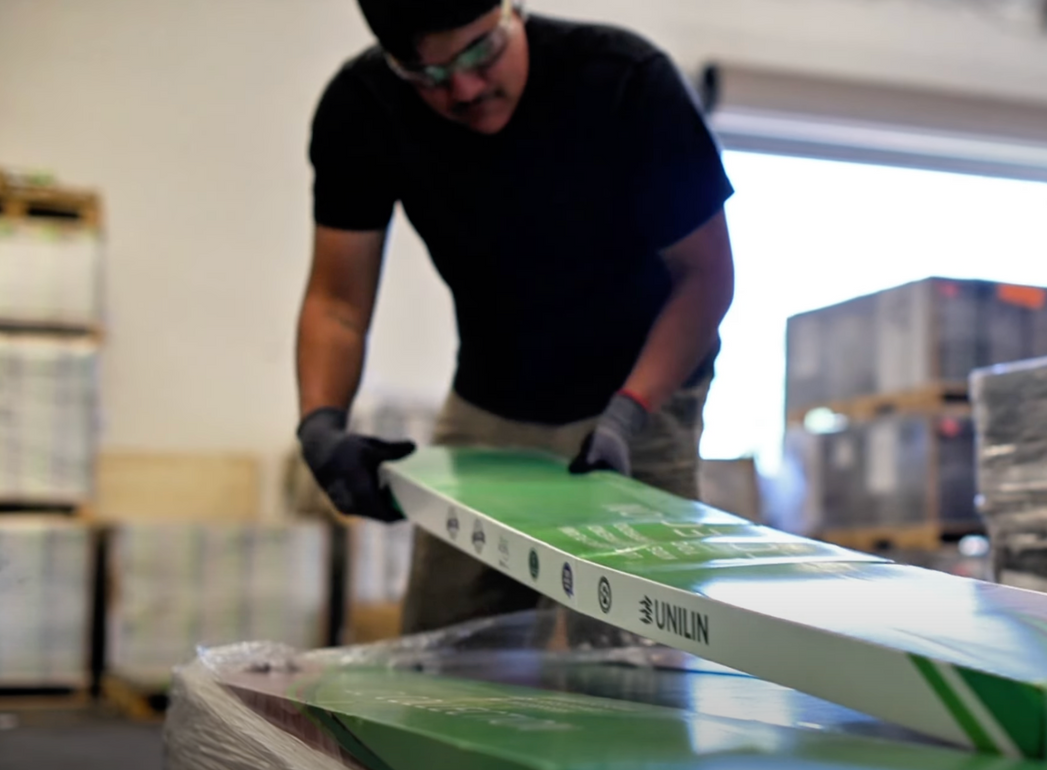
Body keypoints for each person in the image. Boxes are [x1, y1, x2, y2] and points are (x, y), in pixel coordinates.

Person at [294, 0, 735, 635]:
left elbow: (707, 277)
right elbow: (336, 302)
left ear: (511, 11)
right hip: (489, 398)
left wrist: (629, 412)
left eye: (479, 54)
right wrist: (320, 425)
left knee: (633, 663)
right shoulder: (362, 107)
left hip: (638, 396)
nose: (465, 89)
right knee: (439, 651)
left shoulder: (626, 83)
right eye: (430, 76)